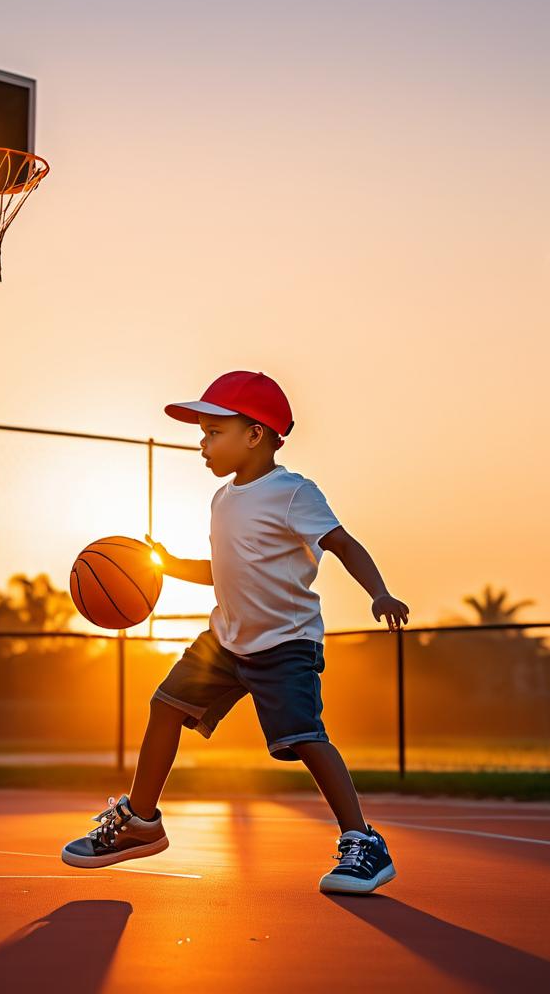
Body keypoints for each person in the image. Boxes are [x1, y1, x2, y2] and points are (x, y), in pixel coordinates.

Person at [61, 370, 410, 894]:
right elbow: (226, 569)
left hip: (285, 643)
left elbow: (342, 543)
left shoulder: (292, 493)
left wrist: (378, 591)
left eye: (213, 432)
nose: (203, 444)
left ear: (256, 435)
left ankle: (363, 842)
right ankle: (141, 822)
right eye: (202, 433)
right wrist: (172, 565)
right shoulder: (222, 500)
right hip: (225, 640)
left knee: (304, 740)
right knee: (166, 705)